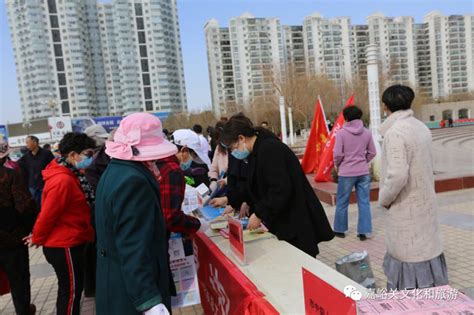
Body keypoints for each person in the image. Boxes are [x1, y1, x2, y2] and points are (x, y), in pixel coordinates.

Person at [220, 114, 334, 257]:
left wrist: (259, 214)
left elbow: (280, 190)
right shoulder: (257, 151)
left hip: (295, 223)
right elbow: (253, 185)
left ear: (241, 138)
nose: (233, 152)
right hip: (284, 222)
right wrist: (229, 199)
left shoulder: (269, 149)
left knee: (300, 269)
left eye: (233, 147)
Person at [95, 113, 173, 314]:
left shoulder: (114, 171)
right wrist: (149, 300)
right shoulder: (133, 181)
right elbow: (133, 246)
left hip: (114, 284)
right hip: (130, 294)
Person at [379, 85, 448, 290]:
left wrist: (384, 199)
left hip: (405, 210)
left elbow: (397, 175)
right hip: (424, 207)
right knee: (425, 256)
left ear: (385, 106)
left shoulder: (395, 133)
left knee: (409, 265)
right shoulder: (420, 127)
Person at [25, 133, 96, 315]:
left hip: (70, 240)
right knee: (71, 293)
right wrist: (37, 236)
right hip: (64, 244)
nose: (90, 158)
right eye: (87, 154)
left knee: (69, 290)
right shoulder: (62, 179)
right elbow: (48, 214)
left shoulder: (68, 173)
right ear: (73, 155)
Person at [0, 140, 38, 315]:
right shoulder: (10, 175)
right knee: (19, 280)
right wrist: (30, 229)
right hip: (12, 239)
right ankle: (23, 311)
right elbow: (24, 206)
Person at [333, 106, 376, 241]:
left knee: (342, 202)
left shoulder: (341, 133)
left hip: (346, 173)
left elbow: (338, 154)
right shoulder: (367, 133)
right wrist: (364, 161)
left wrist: (338, 164)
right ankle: (364, 232)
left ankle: (340, 230)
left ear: (345, 118)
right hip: (363, 172)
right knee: (364, 202)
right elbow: (373, 152)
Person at [83, 124, 110, 298]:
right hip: (97, 212)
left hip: (96, 211)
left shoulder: (100, 157)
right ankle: (92, 286)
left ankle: (93, 286)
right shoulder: (94, 163)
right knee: (93, 249)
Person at [18, 136, 55, 206]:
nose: (26, 145)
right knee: (35, 205)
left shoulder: (46, 153)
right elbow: (17, 165)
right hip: (32, 185)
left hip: (44, 184)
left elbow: (53, 166)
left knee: (45, 205)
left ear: (35, 142)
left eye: (27, 143)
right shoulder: (26, 156)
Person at [208, 121, 228, 194]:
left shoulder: (237, 149)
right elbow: (214, 167)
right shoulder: (219, 148)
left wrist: (228, 180)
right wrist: (213, 180)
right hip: (221, 186)